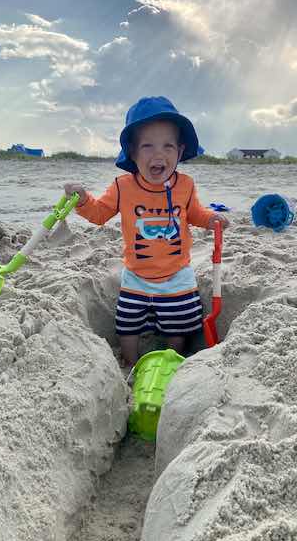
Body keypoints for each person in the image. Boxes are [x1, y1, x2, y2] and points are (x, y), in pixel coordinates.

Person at [65, 96, 228, 368]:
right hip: (136, 276)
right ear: (132, 151)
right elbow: (99, 213)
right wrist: (82, 200)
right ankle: (130, 362)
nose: (158, 155)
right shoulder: (123, 187)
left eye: (168, 146)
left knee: (180, 324)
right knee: (127, 325)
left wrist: (211, 220)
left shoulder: (185, 185)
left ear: (180, 150)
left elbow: (195, 213)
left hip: (177, 274)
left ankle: (171, 360)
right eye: (148, 146)